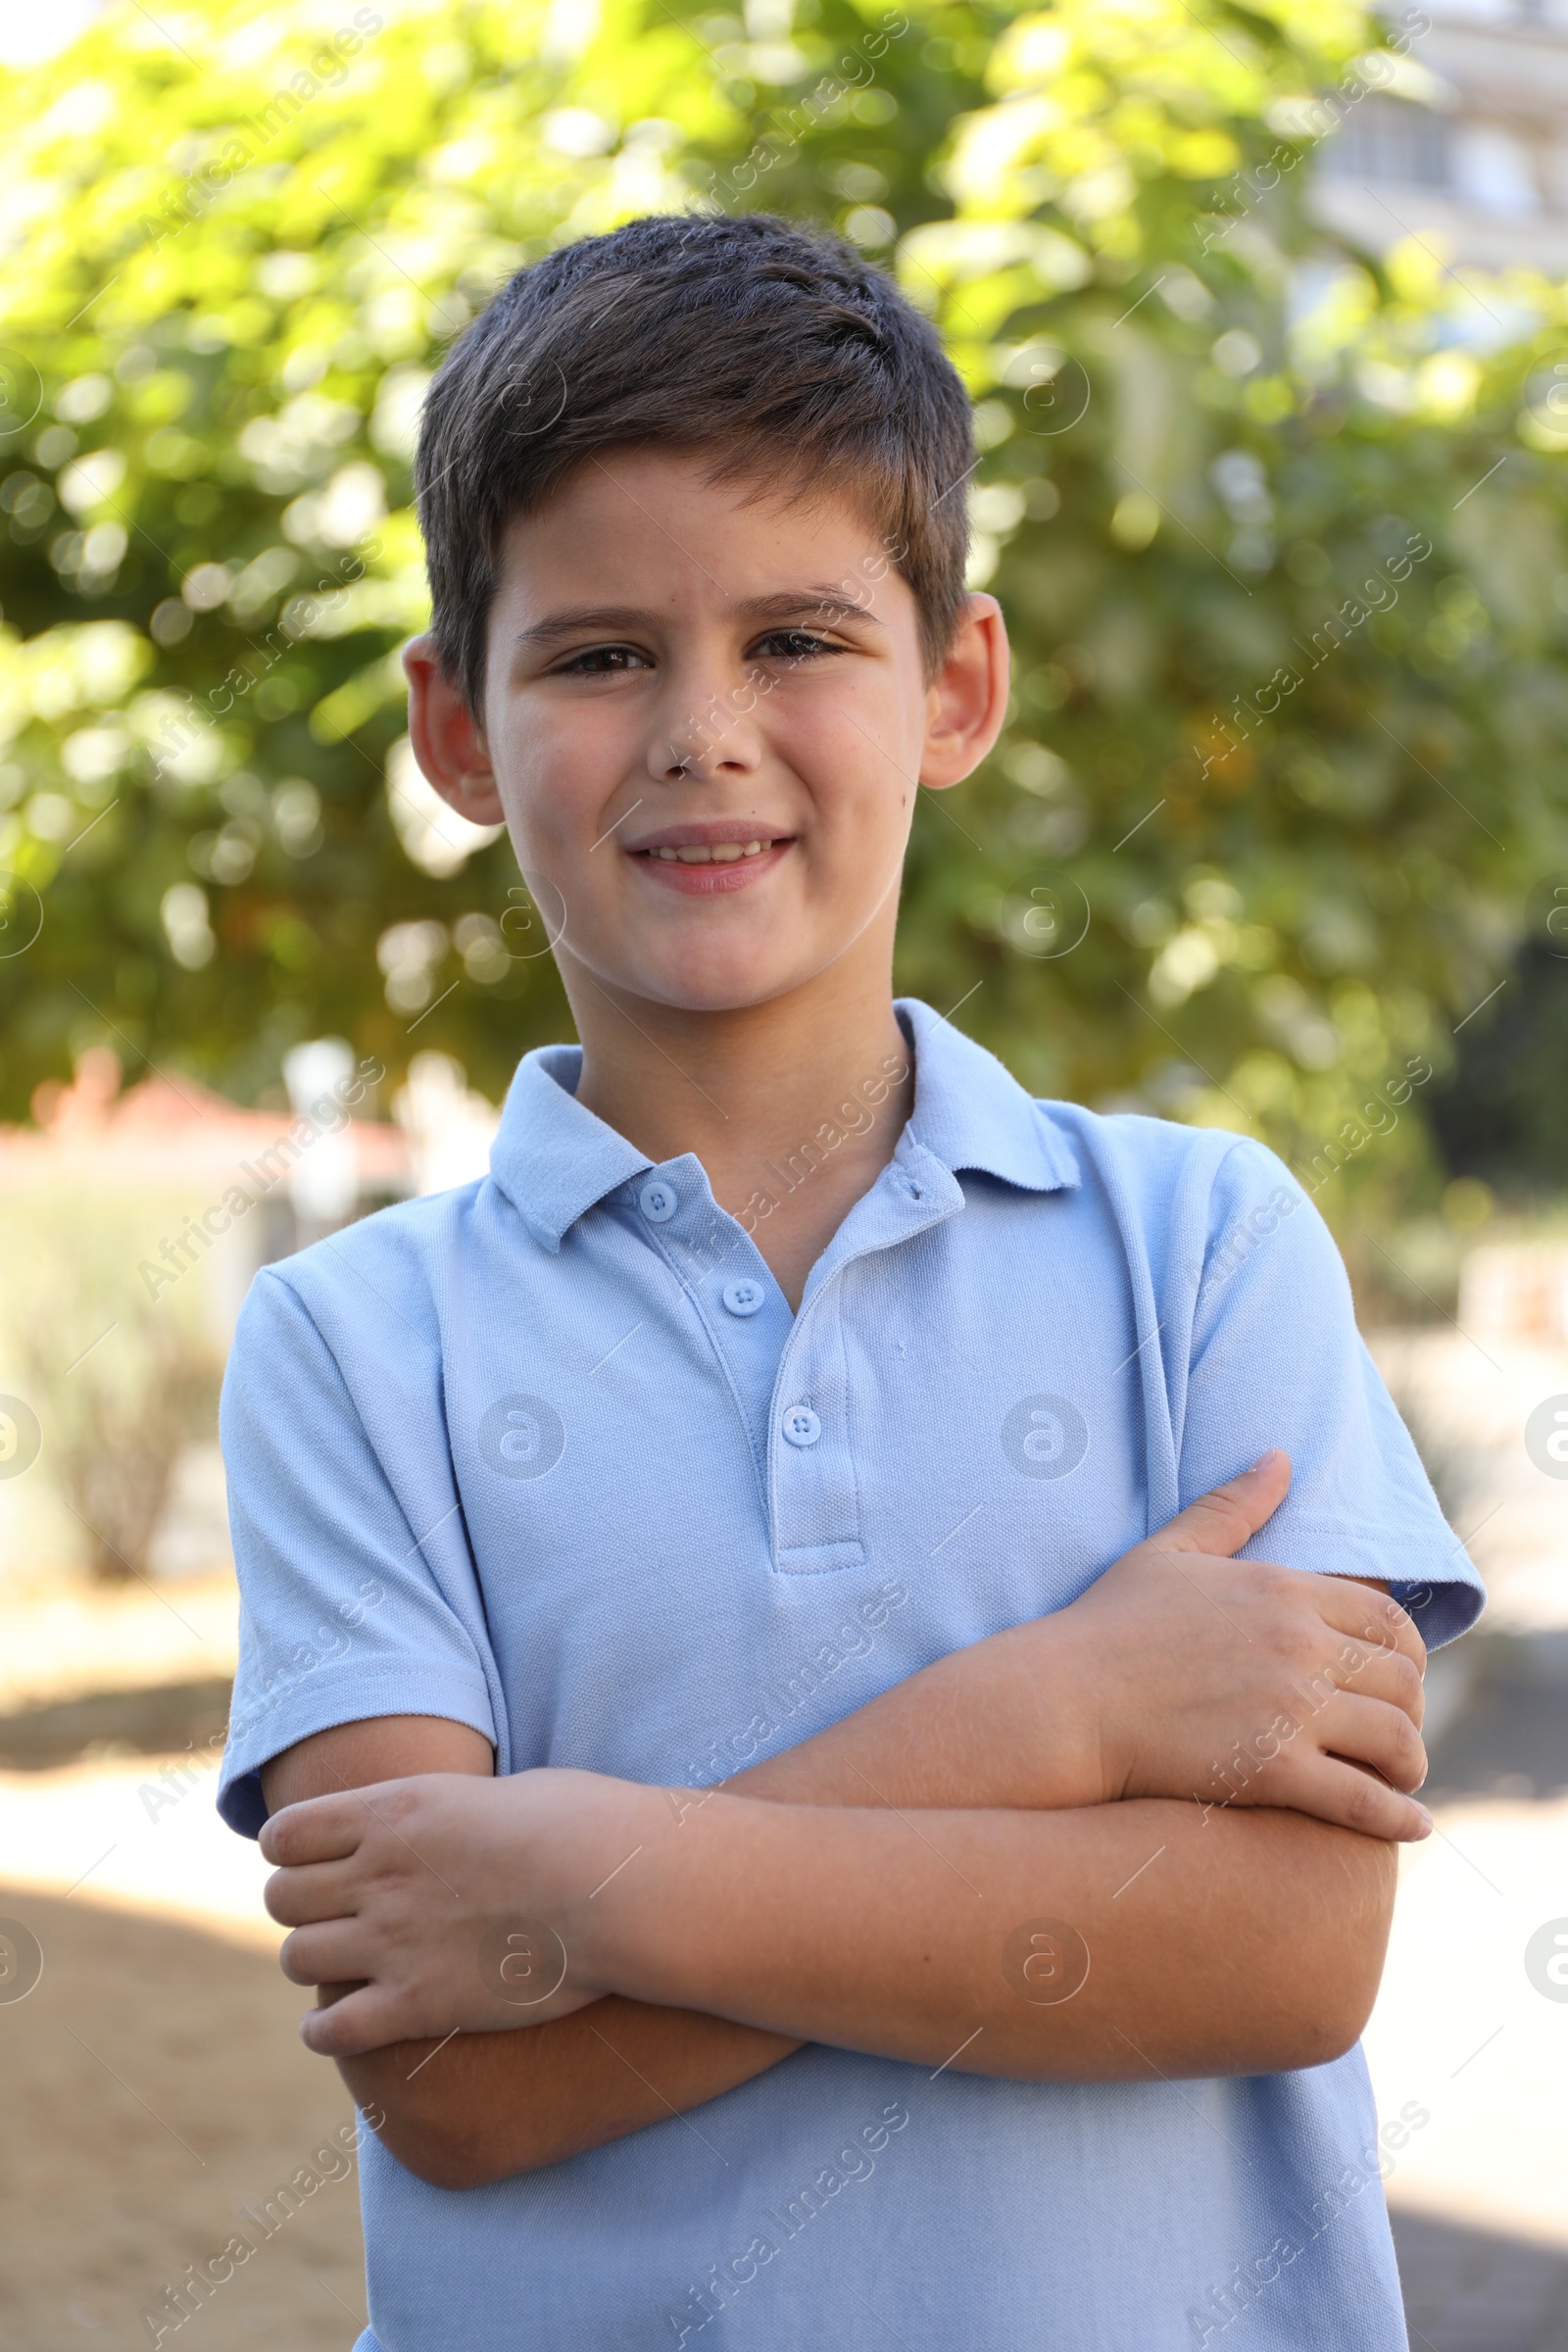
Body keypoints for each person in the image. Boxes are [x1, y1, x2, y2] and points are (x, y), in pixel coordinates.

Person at [219, 212, 1483, 2352]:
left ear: (954, 685)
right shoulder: (354, 1347)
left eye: (798, 636)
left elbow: (1271, 1957)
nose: (702, 731)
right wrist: (1057, 1718)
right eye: (599, 655)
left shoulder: (1199, 1243)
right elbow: (453, 2075)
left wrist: (570, 1883)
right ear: (452, 729)